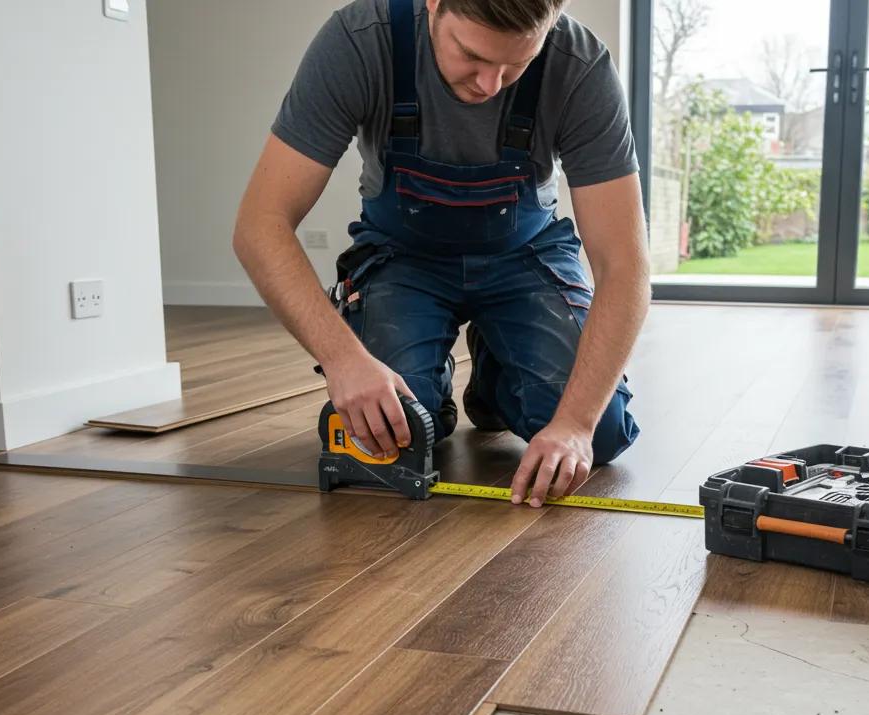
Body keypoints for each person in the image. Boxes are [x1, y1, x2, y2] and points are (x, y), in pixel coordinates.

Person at [234, 0, 649, 508]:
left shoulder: (579, 66)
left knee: (601, 437)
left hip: (525, 256)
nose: (490, 85)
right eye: (472, 55)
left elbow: (624, 265)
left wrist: (575, 424)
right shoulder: (362, 40)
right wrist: (344, 361)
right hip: (403, 257)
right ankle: (431, 379)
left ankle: (497, 376)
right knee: (389, 433)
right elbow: (260, 225)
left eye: (515, 64)